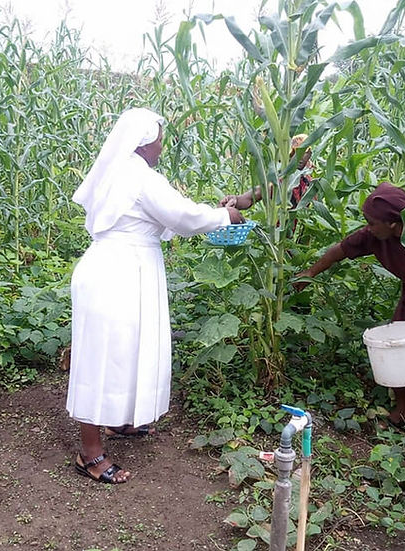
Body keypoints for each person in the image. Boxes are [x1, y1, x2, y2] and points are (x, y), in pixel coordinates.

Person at [67, 107, 244, 484]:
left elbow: (163, 216)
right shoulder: (139, 177)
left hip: (118, 271)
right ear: (144, 142)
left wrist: (218, 211)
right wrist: (224, 217)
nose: (162, 147)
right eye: (160, 140)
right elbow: (183, 217)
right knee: (101, 360)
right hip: (118, 273)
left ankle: (119, 421)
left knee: (124, 352)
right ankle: (90, 453)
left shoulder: (118, 172)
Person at [291, 182, 405, 425]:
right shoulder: (375, 236)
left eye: (371, 222)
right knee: (397, 351)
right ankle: (404, 409)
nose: (367, 228)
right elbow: (340, 250)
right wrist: (310, 273)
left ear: (393, 223)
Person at [219, 134, 315, 223]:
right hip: (278, 233)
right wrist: (235, 200)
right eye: (295, 152)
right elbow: (253, 196)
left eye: (304, 152)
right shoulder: (279, 181)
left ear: (309, 154)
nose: (300, 157)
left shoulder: (311, 183)